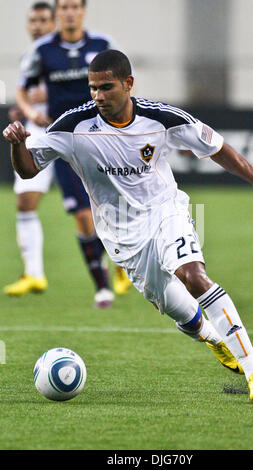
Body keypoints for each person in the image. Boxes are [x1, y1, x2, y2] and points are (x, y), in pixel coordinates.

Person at [3, 50, 253, 403]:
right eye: (93, 88)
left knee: (193, 275)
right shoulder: (73, 127)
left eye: (106, 87)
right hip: (121, 235)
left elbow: (219, 149)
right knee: (175, 306)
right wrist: (18, 145)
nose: (97, 96)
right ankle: (214, 337)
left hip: (166, 212)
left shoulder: (161, 118)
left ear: (128, 84)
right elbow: (28, 168)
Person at [15, 0, 131, 307]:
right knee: (82, 214)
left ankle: (123, 262)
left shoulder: (102, 44)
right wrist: (29, 112)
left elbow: (125, 82)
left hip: (101, 138)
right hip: (65, 139)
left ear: (83, 11)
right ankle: (102, 286)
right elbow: (21, 88)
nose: (69, 12)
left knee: (113, 207)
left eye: (74, 7)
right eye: (64, 7)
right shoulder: (42, 50)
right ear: (58, 14)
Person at [4, 2, 56, 297]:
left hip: (70, 131)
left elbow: (81, 88)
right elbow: (27, 95)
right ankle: (34, 274)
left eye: (42, 20)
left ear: (53, 23)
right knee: (25, 202)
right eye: (32, 20)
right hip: (38, 132)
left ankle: (119, 269)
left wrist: (44, 94)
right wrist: (21, 112)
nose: (36, 25)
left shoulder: (64, 54)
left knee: (91, 210)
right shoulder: (29, 58)